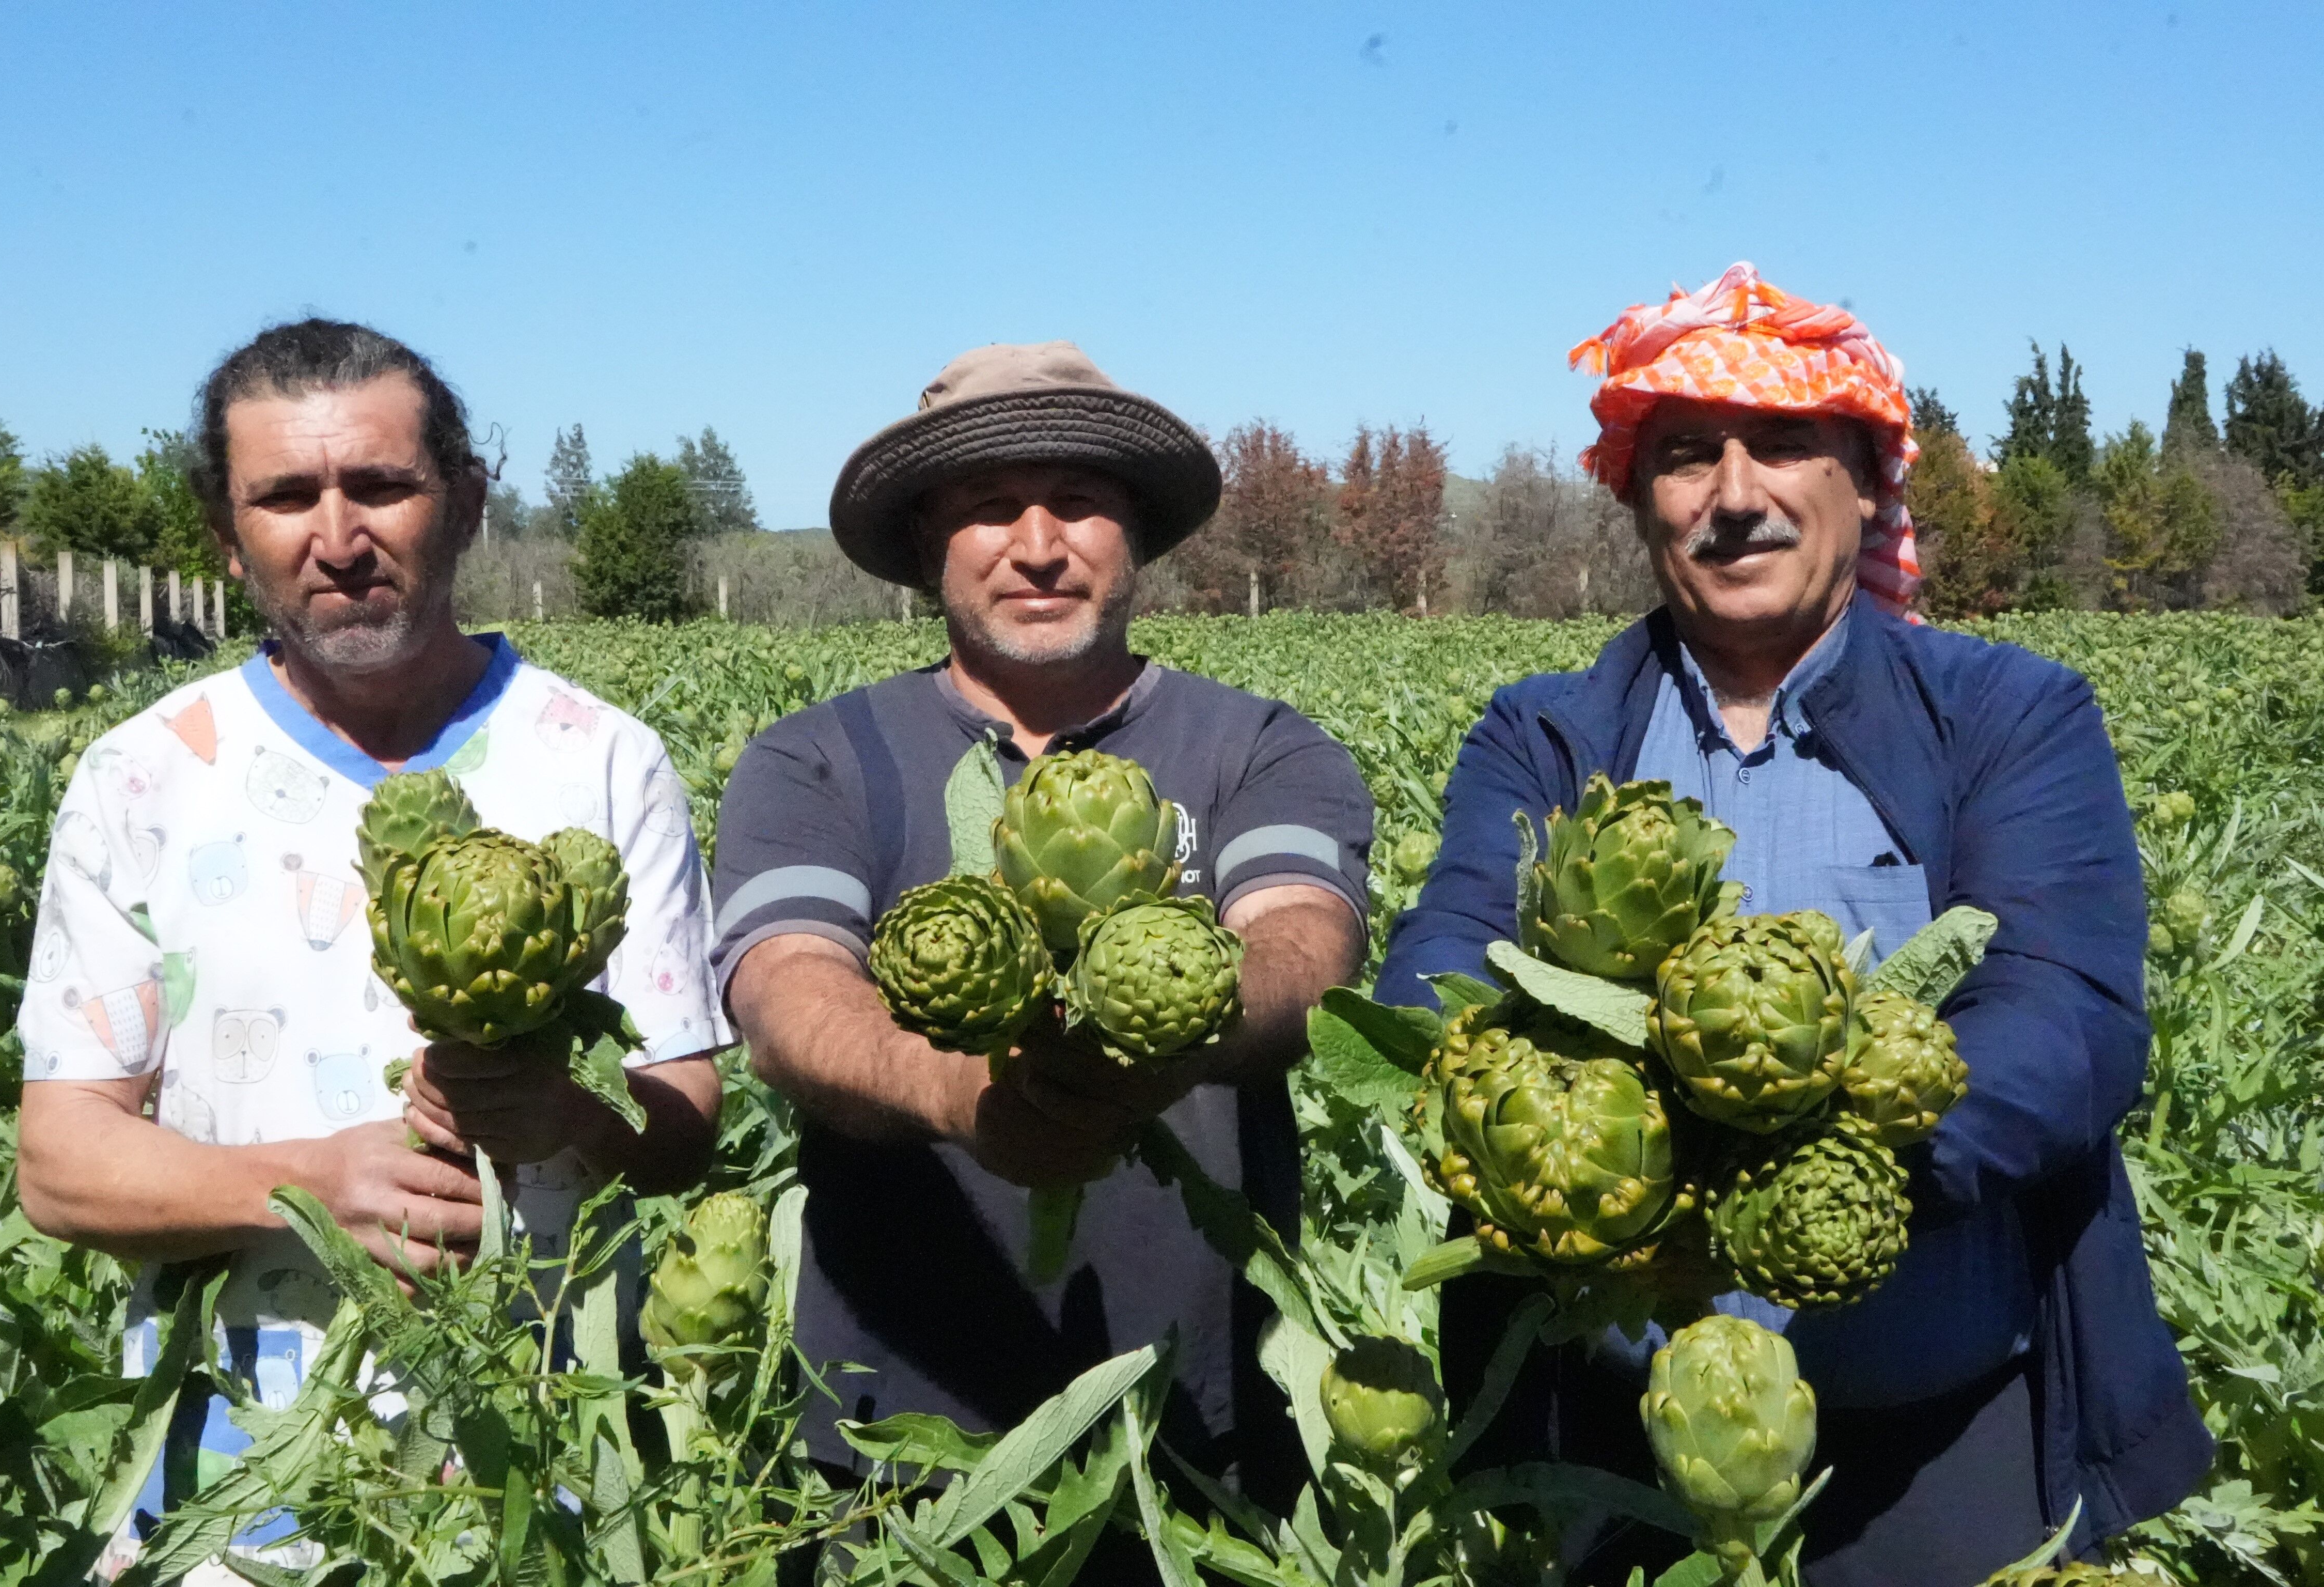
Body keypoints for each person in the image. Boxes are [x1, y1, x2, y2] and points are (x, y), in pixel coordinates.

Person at [1376, 265, 2210, 1584]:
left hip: (1939, 1455)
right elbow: (1438, 968)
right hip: (1603, 1448)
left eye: (1781, 444)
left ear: (1866, 482)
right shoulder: (1547, 735)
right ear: (1639, 499)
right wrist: (1604, 1168)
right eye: (1686, 456)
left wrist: (1795, 1165)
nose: (1735, 494)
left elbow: (2071, 1023)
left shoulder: (2009, 716)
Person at [15, 319, 727, 1568]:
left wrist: (565, 1113)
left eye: (382, 486)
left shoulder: (606, 762)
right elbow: (59, 1163)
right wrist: (309, 1189)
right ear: (225, 534)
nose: (338, 539)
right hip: (231, 1504)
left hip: (550, 1483)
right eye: (286, 497)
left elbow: (686, 1125)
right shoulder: (142, 779)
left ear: (467, 504)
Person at [712, 342, 1373, 1541]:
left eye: (1078, 500)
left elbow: (1303, 946)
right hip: (897, 1441)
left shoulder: (1260, 747)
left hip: (1209, 1431)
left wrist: (1180, 1031)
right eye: (987, 506)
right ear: (928, 539)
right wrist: (961, 1093)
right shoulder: (817, 760)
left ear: (1137, 534)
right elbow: (785, 991)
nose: (1037, 544)